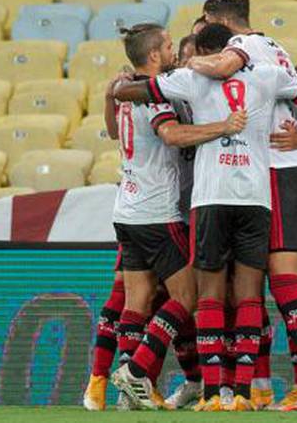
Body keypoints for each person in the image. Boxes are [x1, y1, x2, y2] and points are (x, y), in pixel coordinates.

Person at [113, 23, 297, 411]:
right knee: (250, 294)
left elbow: (127, 92)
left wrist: (128, 84)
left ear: (207, 52)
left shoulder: (189, 79)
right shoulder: (268, 76)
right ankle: (247, 393)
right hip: (256, 198)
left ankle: (213, 393)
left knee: (208, 295)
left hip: (209, 198)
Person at [186, 0, 297, 411]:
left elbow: (216, 69)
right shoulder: (277, 49)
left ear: (213, 19)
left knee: (282, 280)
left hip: (278, 168)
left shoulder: (241, 48)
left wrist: (188, 62)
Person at [107, 23, 249, 411]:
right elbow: (171, 135)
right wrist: (224, 126)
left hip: (127, 209)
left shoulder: (124, 93)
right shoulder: (154, 95)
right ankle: (136, 371)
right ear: (154, 55)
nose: (173, 52)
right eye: (169, 47)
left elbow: (111, 131)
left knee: (137, 300)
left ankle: (127, 396)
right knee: (186, 296)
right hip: (157, 211)